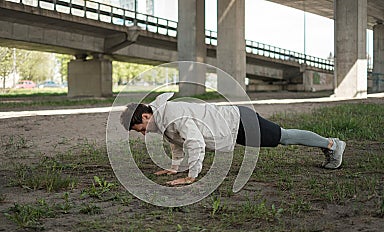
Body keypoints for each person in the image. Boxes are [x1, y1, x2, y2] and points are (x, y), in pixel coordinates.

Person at [120, 93, 346, 186]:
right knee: (282, 137)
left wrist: (191, 176)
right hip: (233, 127)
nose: (142, 133)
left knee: (283, 137)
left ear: (146, 116)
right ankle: (330, 144)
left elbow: (195, 142)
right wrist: (174, 167)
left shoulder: (171, 114)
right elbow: (176, 140)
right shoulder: (161, 120)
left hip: (239, 122)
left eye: (139, 129)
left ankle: (332, 144)